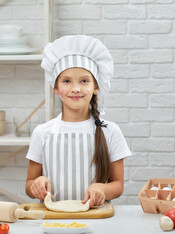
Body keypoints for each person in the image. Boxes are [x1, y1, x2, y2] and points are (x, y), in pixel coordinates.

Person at [25, 35, 132, 207]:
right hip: (53, 219)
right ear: (56, 88)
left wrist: (102, 189)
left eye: (84, 81)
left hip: (96, 218)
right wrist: (36, 185)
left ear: (96, 87)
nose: (75, 88)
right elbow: (29, 184)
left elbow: (118, 185)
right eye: (66, 81)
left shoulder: (110, 131)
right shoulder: (42, 132)